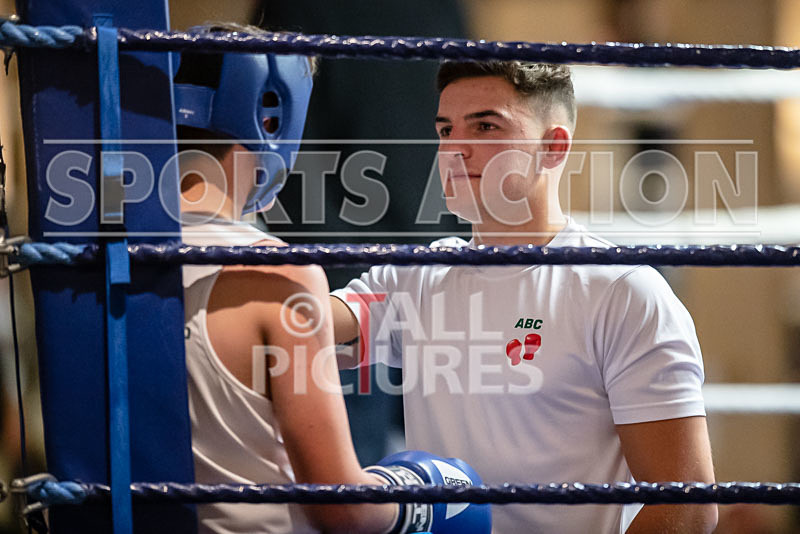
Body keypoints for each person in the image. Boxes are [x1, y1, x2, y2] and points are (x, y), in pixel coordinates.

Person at [331, 61, 718, 533]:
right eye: (446, 130)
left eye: (485, 126)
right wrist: (247, 240)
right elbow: (302, 327)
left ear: (553, 147)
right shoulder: (417, 278)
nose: (455, 149)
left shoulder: (621, 292)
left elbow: (687, 506)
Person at [174, 24, 490, 534]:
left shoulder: (94, 257)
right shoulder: (276, 275)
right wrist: (422, 498)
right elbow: (342, 508)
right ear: (272, 121)